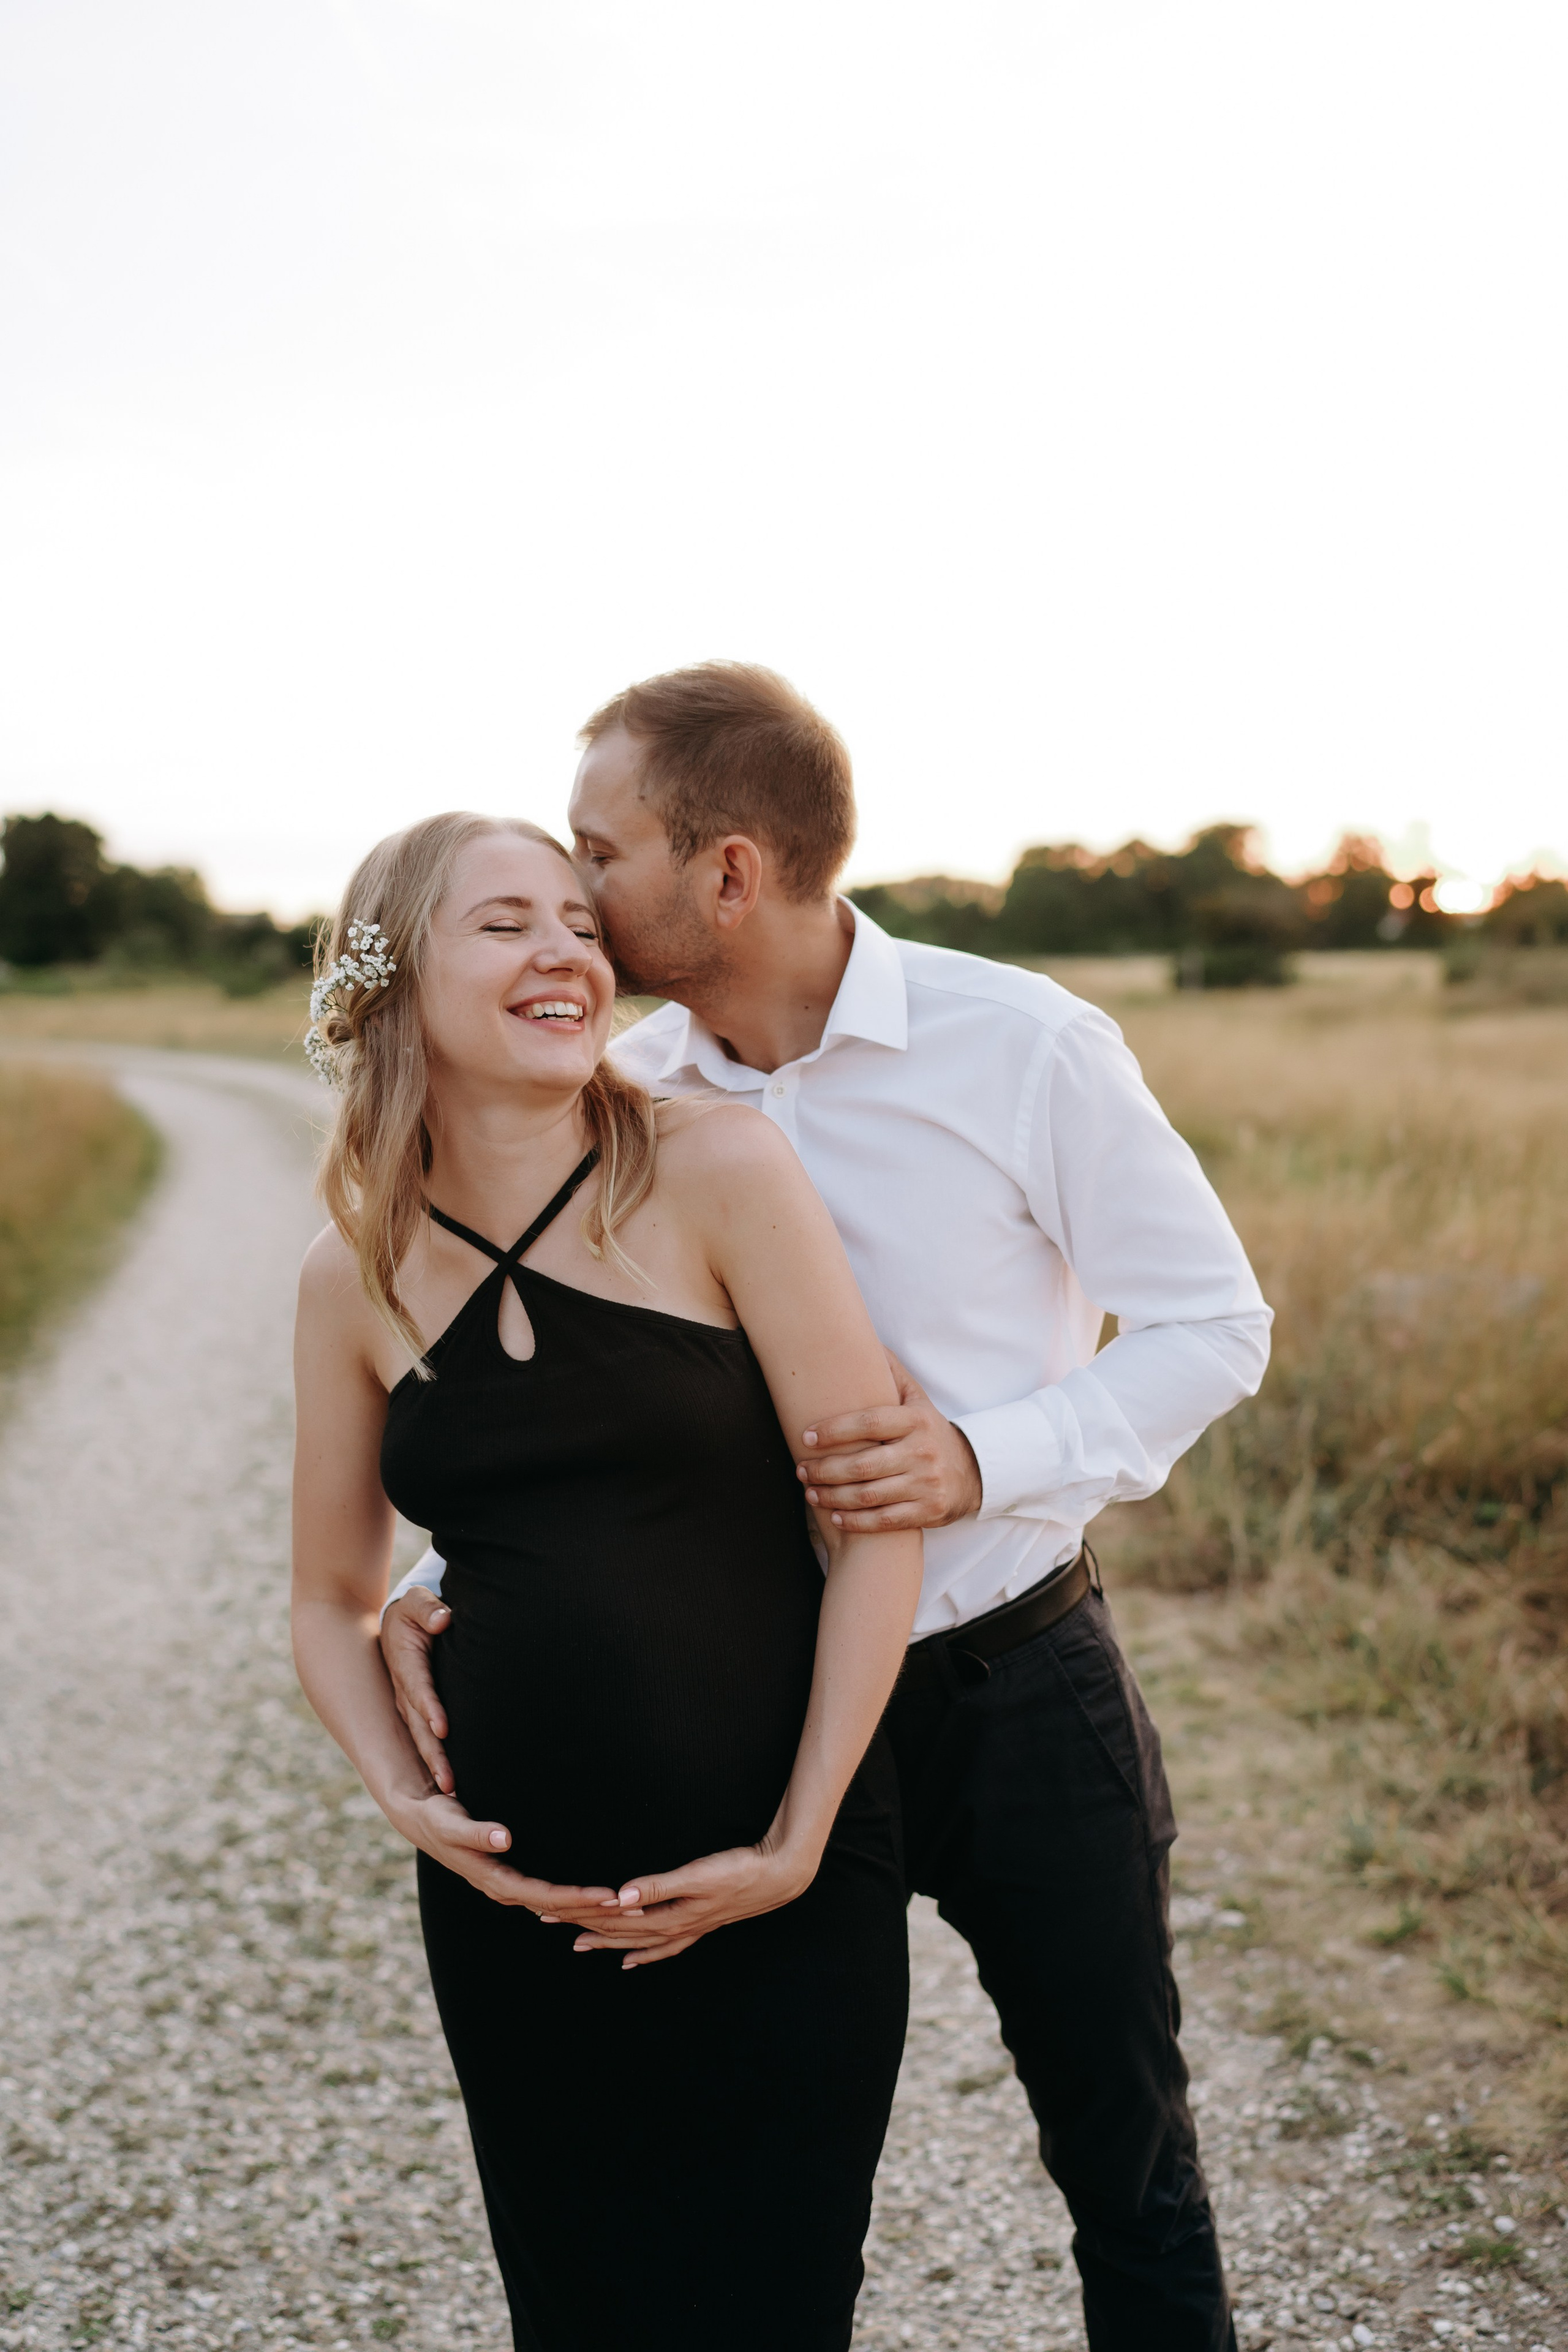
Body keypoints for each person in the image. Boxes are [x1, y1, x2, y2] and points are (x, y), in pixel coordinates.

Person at [381, 666, 1273, 2352]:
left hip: (1020, 1684)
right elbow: (578, 1390)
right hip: (758, 1717)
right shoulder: (624, 1096)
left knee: (1127, 2155)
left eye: (605, 854)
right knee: (787, 2200)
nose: (581, 900)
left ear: (728, 870)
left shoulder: (1022, 1047)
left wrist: (981, 1457)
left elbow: (1214, 1327)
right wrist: (446, 1572)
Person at [290, 810, 923, 2352]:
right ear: (394, 973)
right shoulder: (353, 1267)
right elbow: (326, 1596)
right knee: (573, 2302)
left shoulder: (717, 1171)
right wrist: (410, 1806)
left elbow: (871, 1524)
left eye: (578, 920)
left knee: (773, 2305)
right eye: (504, 923)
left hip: (776, 1882)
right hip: (518, 1907)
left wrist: (797, 1837)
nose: (567, 950)